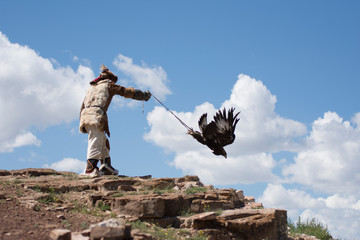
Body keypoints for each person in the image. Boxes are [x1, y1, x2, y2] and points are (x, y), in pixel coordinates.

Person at [79, 65, 151, 177]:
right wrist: (143, 96)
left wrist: (82, 122)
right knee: (96, 141)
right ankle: (90, 169)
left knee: (103, 141)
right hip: (96, 116)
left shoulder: (90, 89)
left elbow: (82, 106)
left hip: (86, 116)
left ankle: (106, 166)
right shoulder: (108, 85)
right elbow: (125, 91)